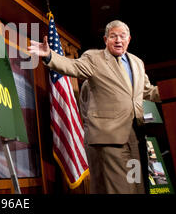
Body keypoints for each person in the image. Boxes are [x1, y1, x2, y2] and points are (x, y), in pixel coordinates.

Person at [28, 20, 161, 194]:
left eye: (122, 36)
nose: (118, 40)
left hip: (135, 136)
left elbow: (147, 90)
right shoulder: (94, 58)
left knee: (136, 186)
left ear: (129, 39)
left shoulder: (137, 62)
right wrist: (50, 56)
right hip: (109, 138)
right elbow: (72, 66)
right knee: (121, 189)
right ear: (106, 39)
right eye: (113, 36)